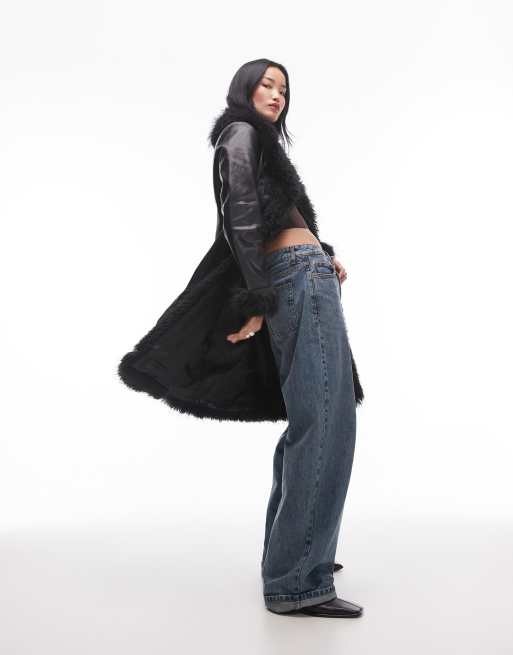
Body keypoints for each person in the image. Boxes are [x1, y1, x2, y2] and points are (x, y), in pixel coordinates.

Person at [117, 58, 364, 618]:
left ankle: (294, 552)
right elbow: (242, 214)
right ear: (243, 90)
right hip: (295, 278)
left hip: (305, 272)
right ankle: (296, 578)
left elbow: (273, 214)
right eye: (266, 85)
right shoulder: (240, 132)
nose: (277, 95)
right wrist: (258, 300)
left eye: (284, 89)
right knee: (326, 419)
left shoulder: (257, 142)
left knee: (315, 415)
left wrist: (320, 252)